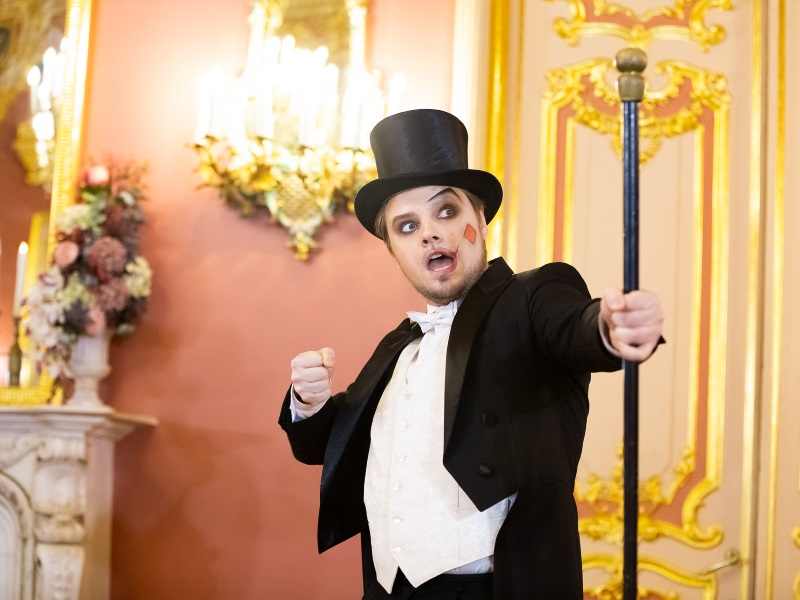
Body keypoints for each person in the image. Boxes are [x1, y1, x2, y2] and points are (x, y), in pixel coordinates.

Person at [279, 109, 663, 599]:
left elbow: (574, 328)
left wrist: (609, 326)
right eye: (407, 226)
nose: (429, 233)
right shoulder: (399, 347)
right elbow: (329, 447)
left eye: (446, 212)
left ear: (479, 220)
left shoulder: (532, 298)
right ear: (394, 251)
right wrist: (309, 402)